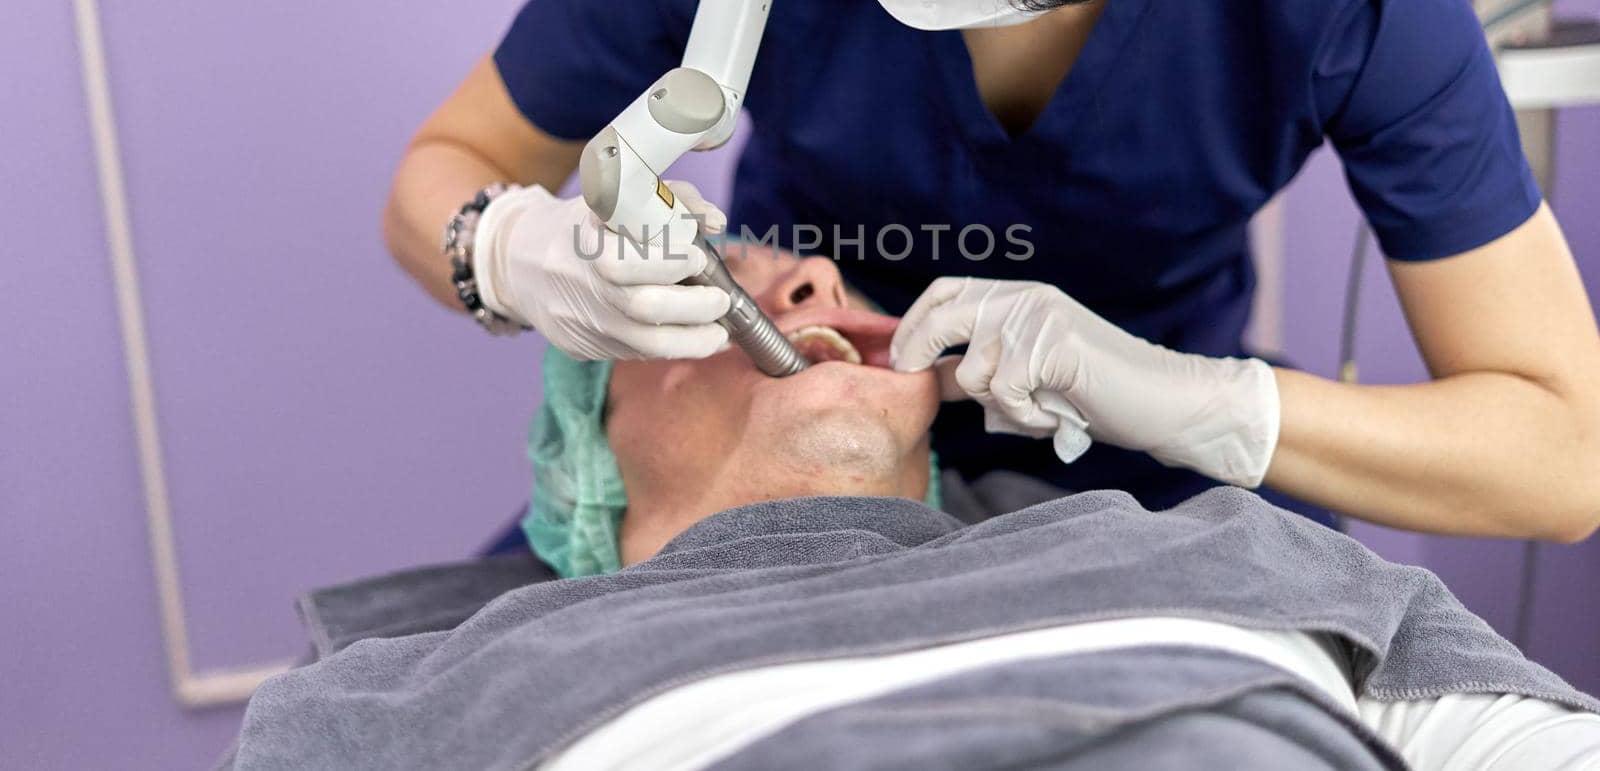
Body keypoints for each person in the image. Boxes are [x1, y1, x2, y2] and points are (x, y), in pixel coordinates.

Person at [382, 0, 1600, 538]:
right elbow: (449, 169)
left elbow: (1561, 452)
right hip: (760, 445)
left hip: (1159, 467)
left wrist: (1185, 401)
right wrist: (504, 252)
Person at [225, 247, 1600, 769]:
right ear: (597, 442)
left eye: (804, 266)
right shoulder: (392, 694)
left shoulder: (1221, 540)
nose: (813, 275)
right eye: (711, 285)